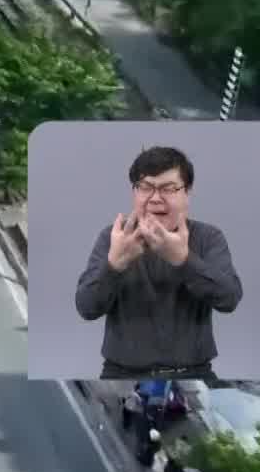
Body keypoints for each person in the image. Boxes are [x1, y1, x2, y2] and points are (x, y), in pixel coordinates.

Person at [74, 145, 243, 379]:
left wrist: (183, 260)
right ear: (135, 192)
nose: (155, 198)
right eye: (145, 188)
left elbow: (230, 299)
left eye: (168, 189)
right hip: (122, 375)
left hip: (193, 375)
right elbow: (86, 308)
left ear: (187, 192)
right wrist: (114, 264)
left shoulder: (208, 237)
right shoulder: (114, 238)